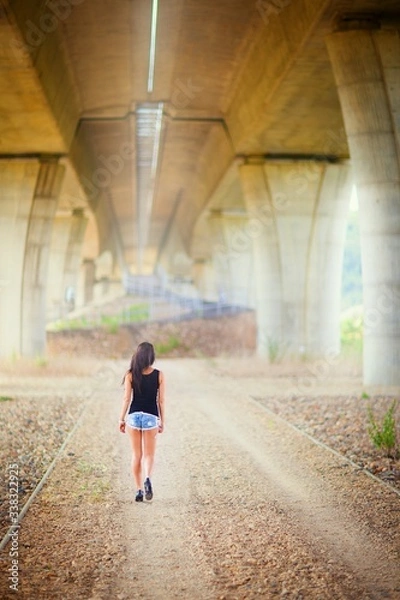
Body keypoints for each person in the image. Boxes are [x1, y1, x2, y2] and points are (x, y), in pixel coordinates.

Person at [119, 342, 165, 502]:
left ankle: (138, 490)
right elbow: (161, 401)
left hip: (133, 416)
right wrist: (162, 421)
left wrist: (121, 418)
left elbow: (126, 399)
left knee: (136, 455)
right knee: (149, 455)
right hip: (151, 417)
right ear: (151, 357)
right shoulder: (159, 375)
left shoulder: (130, 374)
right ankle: (147, 478)